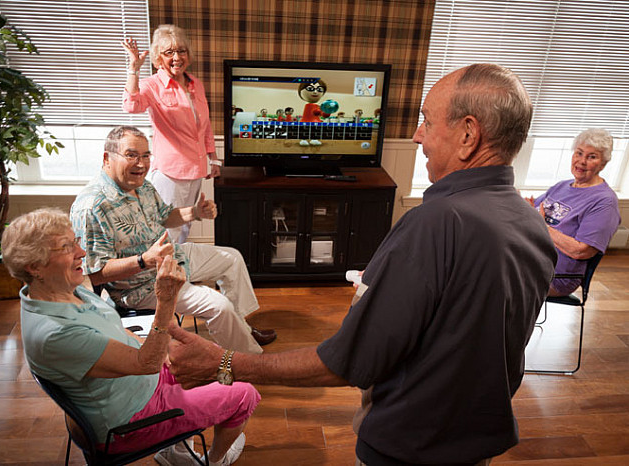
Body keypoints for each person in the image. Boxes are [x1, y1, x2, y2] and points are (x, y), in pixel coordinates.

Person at [166, 64, 558, 465]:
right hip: (476, 442)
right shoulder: (532, 223)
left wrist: (224, 362)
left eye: (426, 120)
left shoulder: (437, 222)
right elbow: (470, 322)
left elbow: (349, 361)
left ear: (468, 135)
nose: (416, 135)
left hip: (408, 446)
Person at [1, 208, 259, 466]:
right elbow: (146, 364)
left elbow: (113, 330)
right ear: (34, 266)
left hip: (137, 383)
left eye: (76, 242)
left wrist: (165, 352)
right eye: (66, 247)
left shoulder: (60, 289)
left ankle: (177, 453)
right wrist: (166, 300)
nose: (81, 253)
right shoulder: (56, 333)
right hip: (130, 422)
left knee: (212, 356)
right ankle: (213, 462)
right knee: (244, 393)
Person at [70, 126, 277, 354]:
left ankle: (241, 329)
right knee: (219, 306)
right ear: (107, 158)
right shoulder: (92, 207)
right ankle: (246, 361)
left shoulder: (144, 186)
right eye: (131, 155)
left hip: (170, 259)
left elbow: (165, 216)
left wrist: (195, 212)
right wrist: (144, 260)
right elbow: (96, 273)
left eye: (146, 155)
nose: (141, 164)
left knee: (231, 258)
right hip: (141, 286)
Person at [121, 25, 220, 243]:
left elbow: (205, 125)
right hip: (171, 174)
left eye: (181, 51)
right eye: (169, 52)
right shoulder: (152, 85)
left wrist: (213, 158)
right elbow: (130, 105)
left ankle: (178, 271)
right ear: (158, 57)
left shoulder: (196, 84)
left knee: (185, 227)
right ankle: (161, 273)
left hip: (197, 170)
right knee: (166, 230)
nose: (177, 57)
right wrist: (133, 69)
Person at [527, 128, 621, 296]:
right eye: (579, 153)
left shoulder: (605, 202)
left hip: (555, 276)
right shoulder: (561, 186)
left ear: (603, 163)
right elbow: (533, 211)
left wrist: (544, 227)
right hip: (530, 259)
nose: (582, 161)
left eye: (591, 157)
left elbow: (581, 251)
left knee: (489, 278)